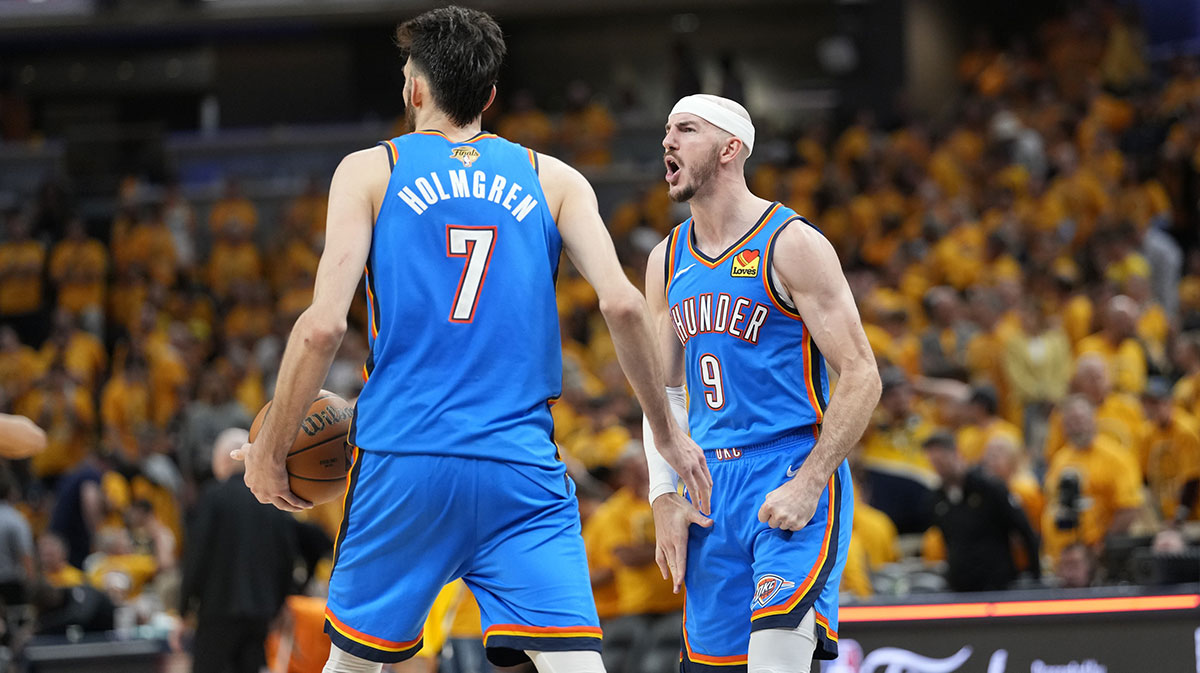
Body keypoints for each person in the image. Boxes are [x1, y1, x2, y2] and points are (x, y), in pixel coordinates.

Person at [236, 7, 709, 673]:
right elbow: (625, 306)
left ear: (415, 90)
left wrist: (271, 450)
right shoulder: (555, 179)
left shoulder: (370, 171)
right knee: (575, 666)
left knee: (353, 664)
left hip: (405, 457)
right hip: (518, 464)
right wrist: (663, 430)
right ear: (489, 97)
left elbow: (320, 327)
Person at [644, 94, 881, 672]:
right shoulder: (665, 259)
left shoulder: (791, 242)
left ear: (730, 148)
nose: (668, 142)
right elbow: (665, 395)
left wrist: (811, 480)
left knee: (777, 661)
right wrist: (662, 493)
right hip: (708, 484)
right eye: (667, 131)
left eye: (687, 130)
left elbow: (862, 374)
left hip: (787, 466)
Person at [182, 428, 300, 673]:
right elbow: (287, 557)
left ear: (226, 459)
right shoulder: (272, 499)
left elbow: (197, 555)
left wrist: (183, 607)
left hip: (217, 611)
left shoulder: (213, 496)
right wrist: (279, 603)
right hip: (260, 613)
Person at [921, 432, 1040, 592]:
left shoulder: (990, 489)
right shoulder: (937, 499)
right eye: (934, 463)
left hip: (996, 583)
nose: (940, 468)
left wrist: (1035, 575)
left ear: (956, 453)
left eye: (942, 461)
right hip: (960, 584)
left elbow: (1024, 530)